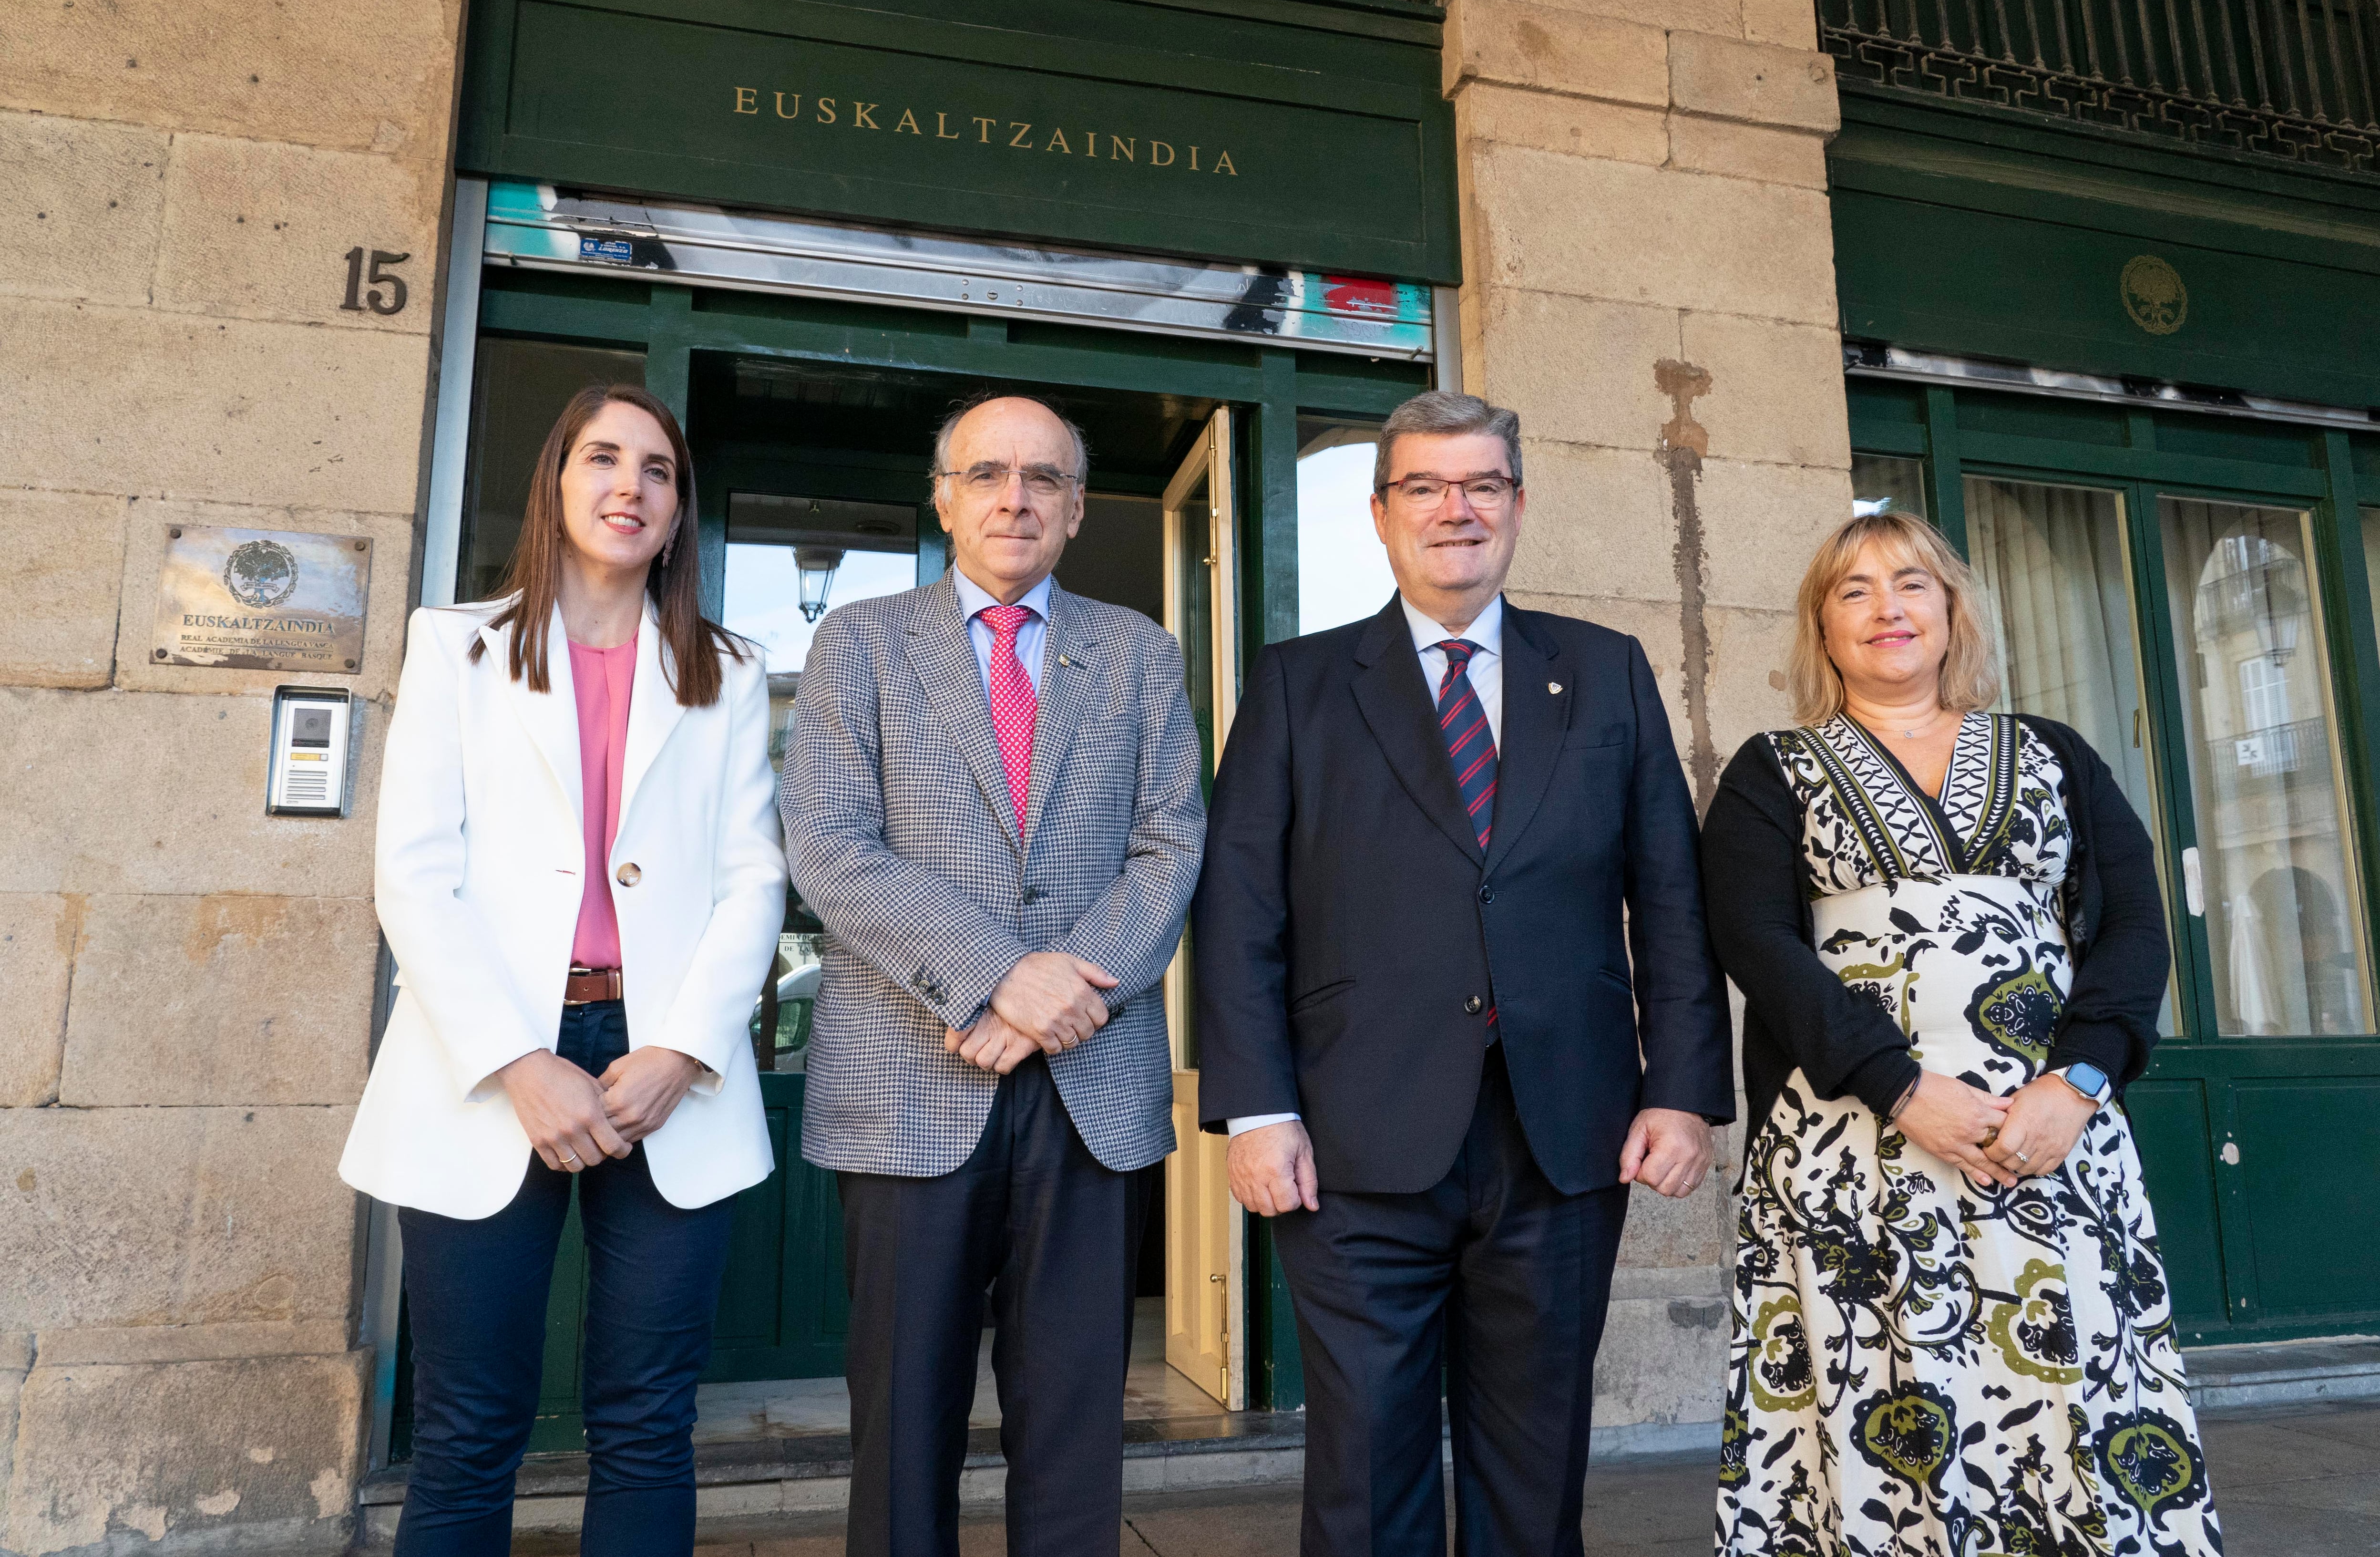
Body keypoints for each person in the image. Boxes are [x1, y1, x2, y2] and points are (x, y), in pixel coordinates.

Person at [1193, 390, 1735, 1556]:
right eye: (1426, 488)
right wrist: (1258, 1107)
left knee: (1535, 1462)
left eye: (1482, 485)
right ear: (1382, 516)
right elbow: (1239, 909)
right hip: (1349, 1138)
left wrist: (1681, 1086)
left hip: (1565, 1130)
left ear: (1519, 506)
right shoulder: (1298, 684)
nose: (1457, 509)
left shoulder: (1604, 671)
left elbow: (1671, 896)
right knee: (1366, 1458)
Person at [1702, 511, 2221, 1557]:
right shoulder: (1774, 768)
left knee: (2072, 1390)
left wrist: (2074, 1082)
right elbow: (1755, 942)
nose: (1886, 608)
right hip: (1852, 1141)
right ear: (1822, 624)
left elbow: (2132, 924)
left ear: (1951, 611)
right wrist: (1898, 1085)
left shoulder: (2054, 752)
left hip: (2050, 1138)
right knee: (1881, 1399)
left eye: (1910, 584)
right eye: (1853, 590)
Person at [340, 384, 788, 1556]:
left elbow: (754, 879)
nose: (630, 487)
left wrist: (684, 1049)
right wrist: (517, 1061)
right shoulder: (458, 646)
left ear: (680, 510)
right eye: (604, 458)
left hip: (661, 1066)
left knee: (647, 1422)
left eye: (658, 470)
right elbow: (413, 875)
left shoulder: (730, 671)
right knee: (468, 1426)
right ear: (557, 481)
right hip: (488, 1064)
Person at [783, 393, 1205, 1557]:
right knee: (903, 1431)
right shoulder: (859, 642)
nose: (1013, 498)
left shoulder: (1136, 651)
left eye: (1041, 479)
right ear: (944, 498)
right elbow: (825, 841)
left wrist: (1064, 994)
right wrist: (997, 977)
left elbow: (1172, 843)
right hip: (909, 1085)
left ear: (1075, 509)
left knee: (1075, 1430)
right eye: (985, 474)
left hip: (1093, 1088)